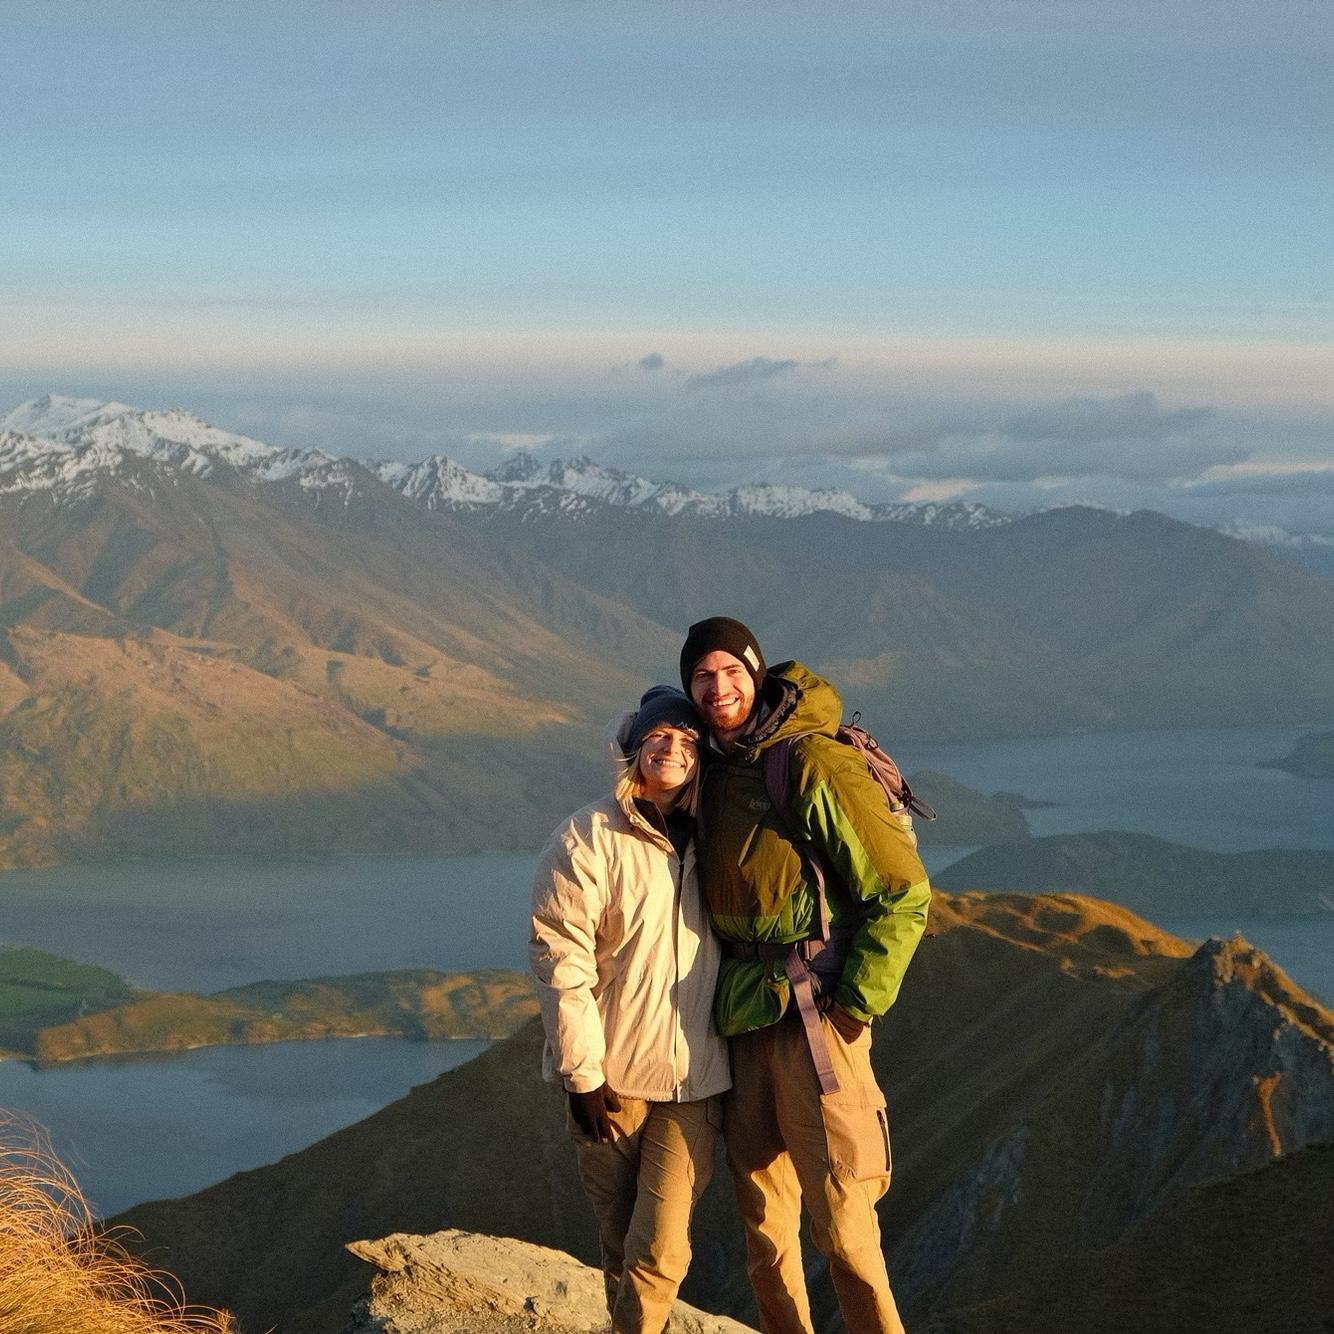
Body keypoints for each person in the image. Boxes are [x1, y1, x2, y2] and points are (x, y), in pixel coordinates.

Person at [680, 617, 931, 1334]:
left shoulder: (809, 761)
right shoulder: (719, 767)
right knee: (765, 1230)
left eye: (731, 671)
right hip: (745, 1022)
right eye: (702, 675)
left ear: (756, 673)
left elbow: (903, 891)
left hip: (818, 1022)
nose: (718, 687)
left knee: (846, 1227)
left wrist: (854, 1006)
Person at [529, 685, 730, 1334]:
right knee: (620, 1247)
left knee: (660, 1250)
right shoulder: (588, 838)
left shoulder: (722, 841)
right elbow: (562, 961)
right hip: (610, 1083)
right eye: (659, 736)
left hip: (695, 1083)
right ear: (634, 748)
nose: (672, 748)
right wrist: (581, 1076)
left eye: (688, 739)